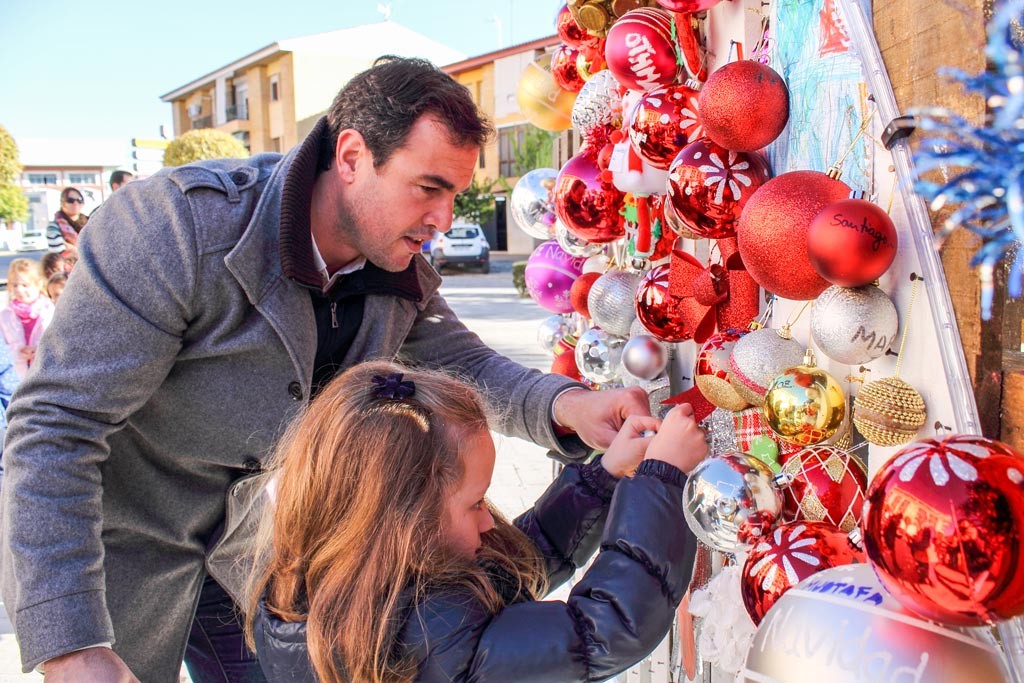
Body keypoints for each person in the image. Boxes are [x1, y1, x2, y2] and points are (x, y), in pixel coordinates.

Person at [0, 56, 649, 683]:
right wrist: (70, 643)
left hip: (243, 556)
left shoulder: (394, 268)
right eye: (428, 188)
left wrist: (568, 405)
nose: (445, 220)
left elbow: (463, 363)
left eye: (454, 193)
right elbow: (53, 429)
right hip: (112, 555)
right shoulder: (175, 227)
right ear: (350, 156)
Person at [248, 361, 705, 683]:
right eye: (475, 503)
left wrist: (604, 476)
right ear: (408, 524)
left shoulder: (320, 593)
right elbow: (605, 629)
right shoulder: (431, 642)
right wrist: (661, 482)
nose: (489, 521)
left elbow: (519, 564)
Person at [0, 258, 54, 379]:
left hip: (46, 376)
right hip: (17, 377)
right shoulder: (5, 316)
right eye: (15, 285)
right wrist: (17, 353)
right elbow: (3, 348)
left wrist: (40, 350)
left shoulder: (50, 312)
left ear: (38, 284)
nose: (19, 290)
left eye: (25, 285)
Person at [46, 187, 88, 253]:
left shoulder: (90, 222)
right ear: (63, 203)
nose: (75, 203)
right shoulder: (54, 226)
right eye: (70, 200)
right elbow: (57, 250)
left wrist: (73, 248)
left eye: (79, 200)